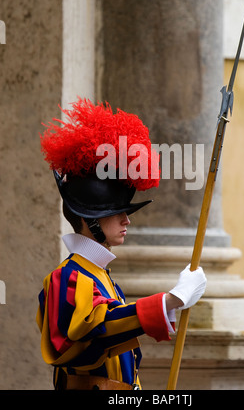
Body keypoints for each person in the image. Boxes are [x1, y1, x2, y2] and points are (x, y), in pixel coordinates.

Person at [36, 98, 207, 390]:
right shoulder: (66, 278)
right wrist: (172, 299)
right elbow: (95, 331)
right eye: (116, 214)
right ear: (89, 219)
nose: (126, 221)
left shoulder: (101, 278)